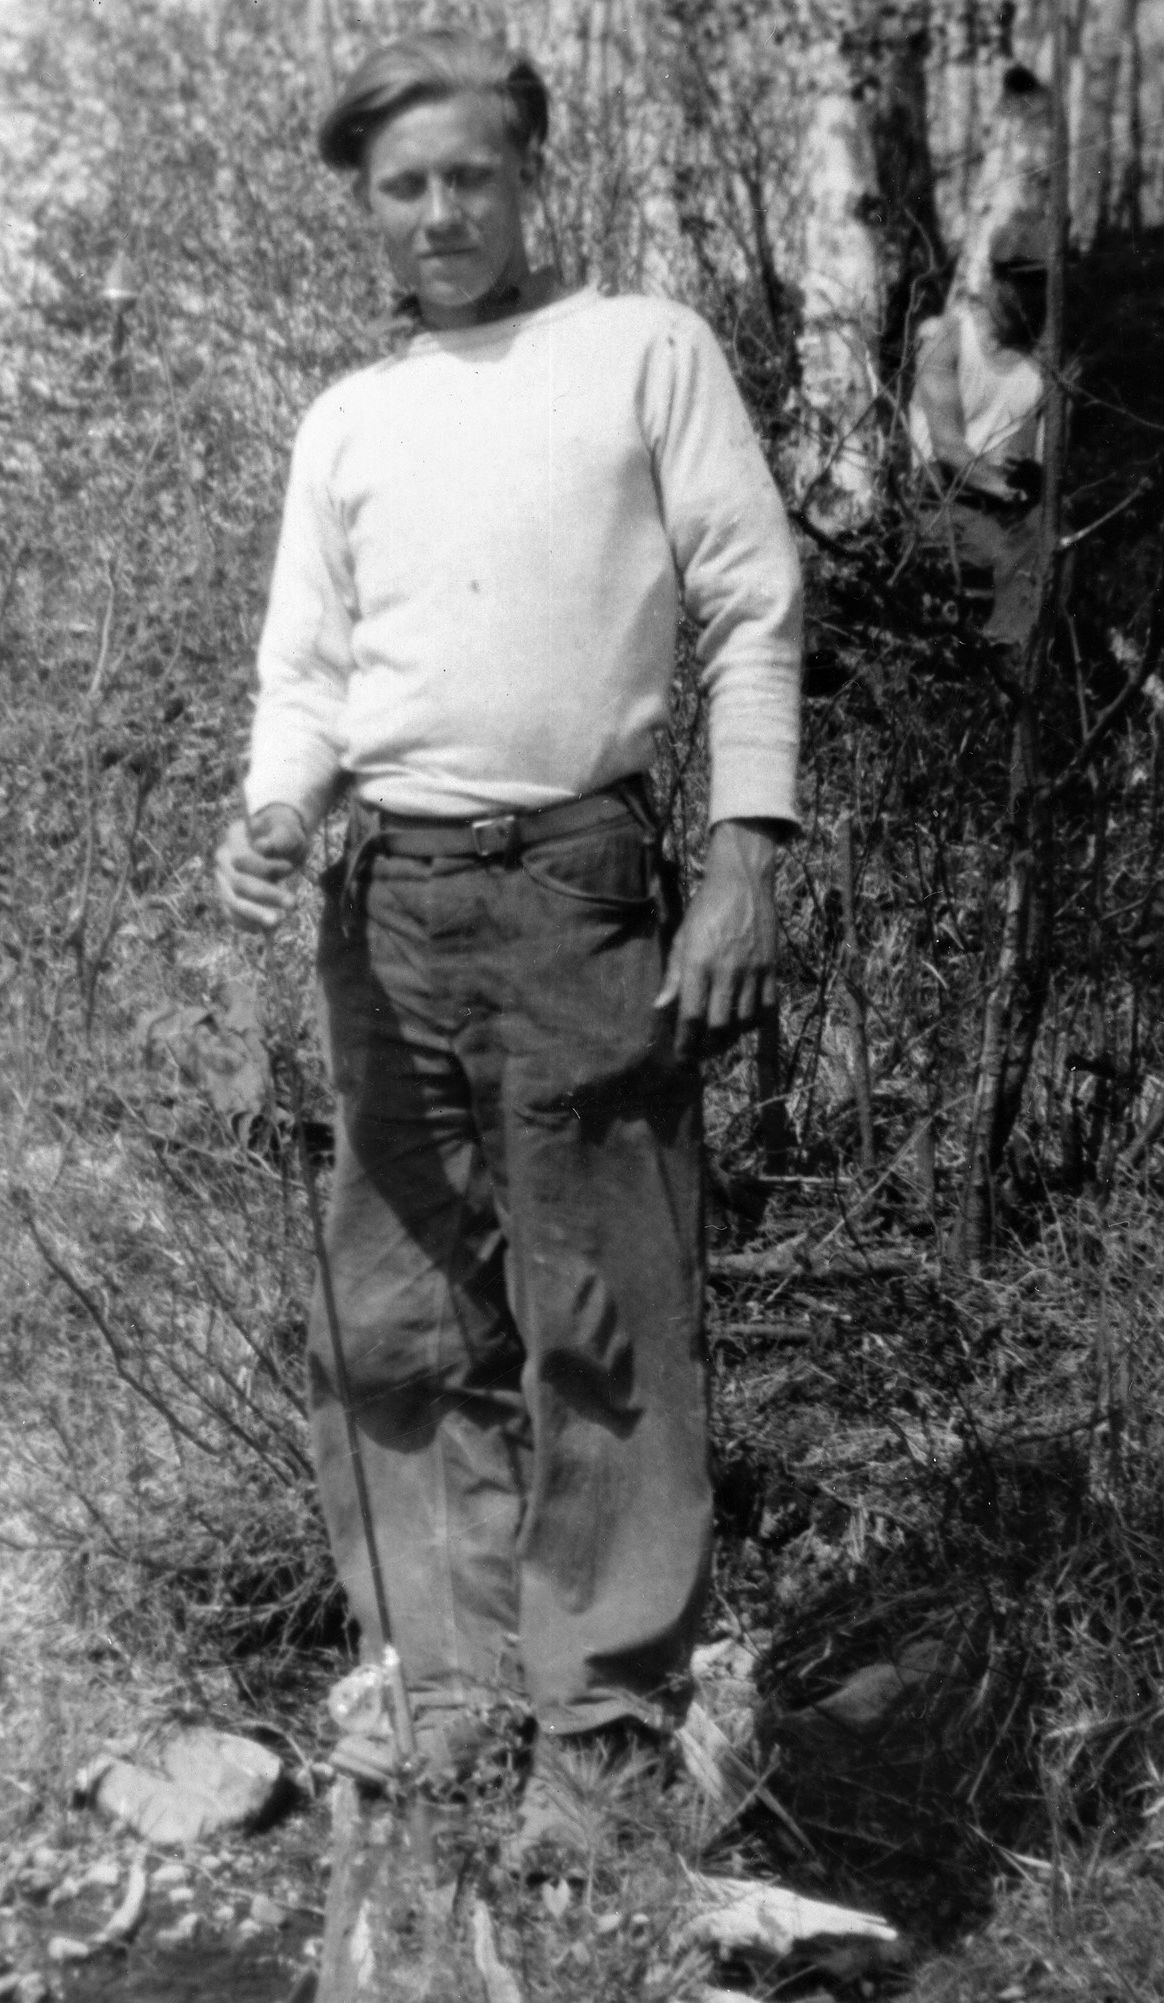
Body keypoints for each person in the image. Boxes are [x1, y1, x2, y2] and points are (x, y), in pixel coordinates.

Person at [215, 28, 802, 1860]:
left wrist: (744, 854)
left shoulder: (642, 349)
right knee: (398, 1321)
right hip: (382, 905)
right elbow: (308, 676)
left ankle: (601, 1736)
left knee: (600, 1320)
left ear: (529, 175)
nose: (440, 212)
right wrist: (274, 814)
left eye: (470, 174)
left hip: (578, 890)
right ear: (364, 208)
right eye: (403, 186)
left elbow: (753, 601)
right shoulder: (350, 419)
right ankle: (453, 1702)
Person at [909, 217, 1049, 647]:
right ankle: (1001, 660)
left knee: (1048, 535)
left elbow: (1037, 461)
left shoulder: (1042, 368)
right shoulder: (947, 336)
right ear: (997, 280)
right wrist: (1006, 490)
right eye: (1026, 283)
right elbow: (948, 448)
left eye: (1043, 284)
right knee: (1013, 551)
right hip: (942, 495)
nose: (1036, 296)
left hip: (1003, 504)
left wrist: (1032, 482)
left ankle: (1016, 658)